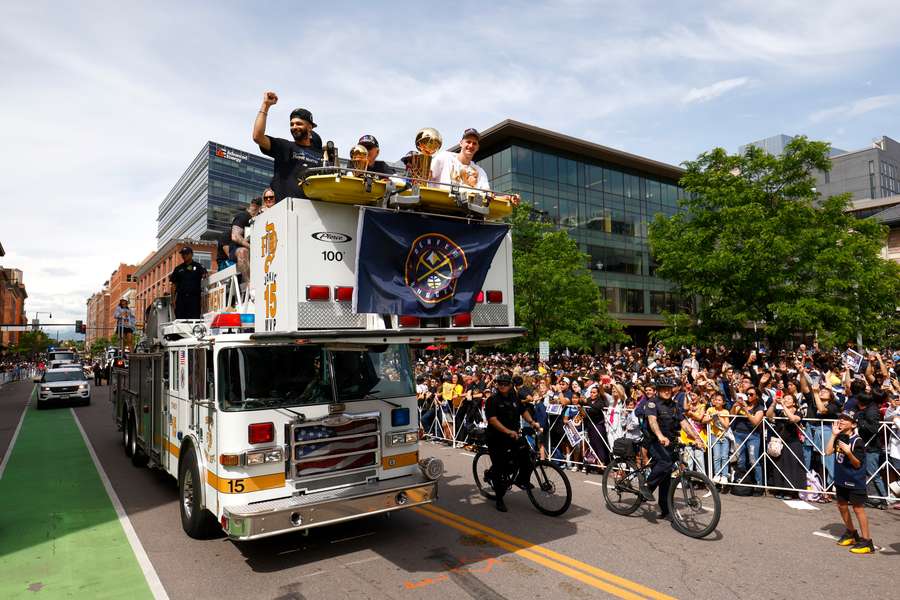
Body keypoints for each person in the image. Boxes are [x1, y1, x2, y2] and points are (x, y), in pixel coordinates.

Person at [644, 377, 704, 520]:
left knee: (666, 476)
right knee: (665, 462)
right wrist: (659, 436)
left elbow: (684, 423)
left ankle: (665, 510)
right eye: (663, 389)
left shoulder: (675, 405)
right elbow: (652, 421)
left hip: (669, 442)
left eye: (669, 389)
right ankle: (646, 486)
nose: (667, 391)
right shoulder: (652, 404)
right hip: (654, 441)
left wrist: (696, 438)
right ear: (658, 390)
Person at [485, 372, 542, 512]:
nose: (502, 386)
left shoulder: (514, 397)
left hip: (514, 435)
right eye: (500, 383)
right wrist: (507, 431)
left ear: (510, 385)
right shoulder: (492, 399)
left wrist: (532, 422)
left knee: (527, 455)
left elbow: (523, 411)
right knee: (500, 468)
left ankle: (521, 479)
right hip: (497, 437)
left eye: (505, 384)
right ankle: (499, 499)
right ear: (496, 384)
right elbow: (492, 420)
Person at [252, 91, 324, 202]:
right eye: (292, 124)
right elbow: (257, 136)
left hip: (314, 213)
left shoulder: (320, 156)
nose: (294, 127)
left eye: (299, 123)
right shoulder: (284, 147)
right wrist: (265, 105)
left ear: (310, 127)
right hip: (285, 212)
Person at [827, 409, 876, 554]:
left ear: (853, 424)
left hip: (855, 480)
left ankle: (867, 541)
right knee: (841, 505)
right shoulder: (839, 436)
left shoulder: (857, 441)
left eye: (845, 419)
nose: (841, 421)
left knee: (858, 509)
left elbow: (857, 464)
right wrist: (833, 435)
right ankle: (851, 532)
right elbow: (828, 451)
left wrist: (848, 452)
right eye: (840, 418)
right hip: (841, 477)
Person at [228, 197, 261, 283]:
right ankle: (249, 284)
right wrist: (252, 247)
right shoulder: (243, 216)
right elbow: (235, 236)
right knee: (243, 252)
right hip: (238, 250)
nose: (254, 210)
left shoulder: (260, 218)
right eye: (253, 207)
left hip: (256, 251)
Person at [169, 247, 208, 320]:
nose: (184, 256)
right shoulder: (178, 269)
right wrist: (173, 300)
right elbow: (173, 285)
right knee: (180, 320)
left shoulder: (198, 266)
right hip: (181, 299)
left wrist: (203, 299)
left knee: (194, 320)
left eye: (186, 254)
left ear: (191, 254)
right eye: (183, 254)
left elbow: (205, 277)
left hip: (194, 299)